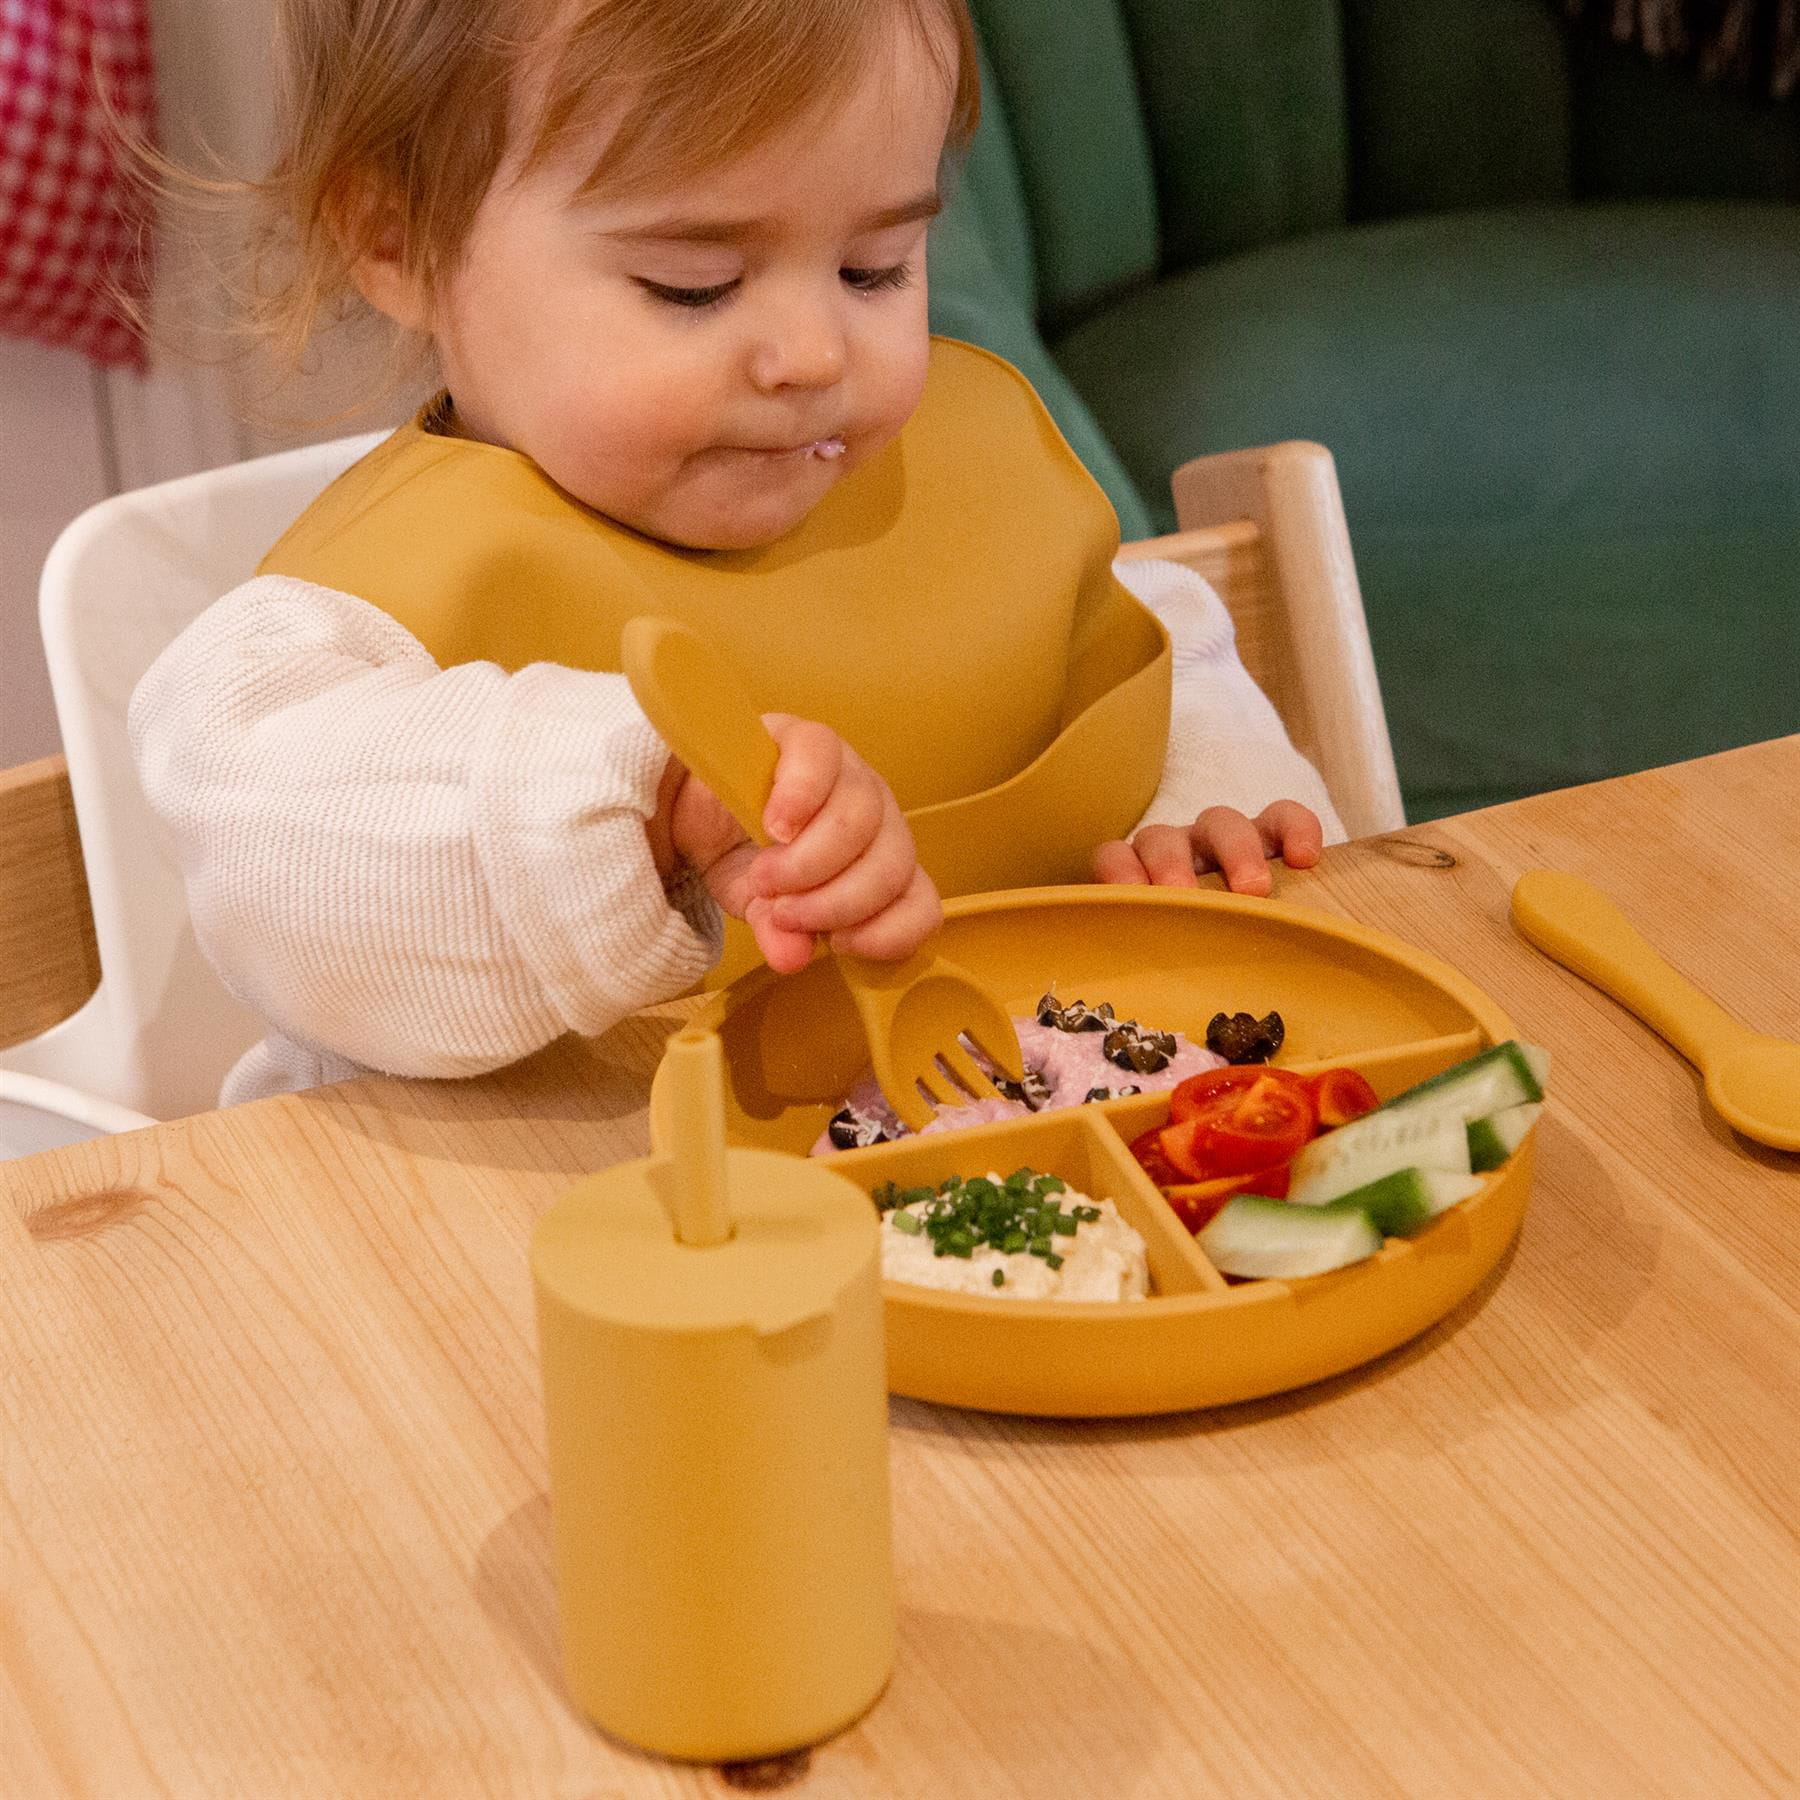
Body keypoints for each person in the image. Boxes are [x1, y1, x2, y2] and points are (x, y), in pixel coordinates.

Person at [129, 0, 1343, 1106]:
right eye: (695, 285)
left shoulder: (971, 468)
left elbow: (1148, 649)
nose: (813, 353)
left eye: (874, 268)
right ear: (397, 239)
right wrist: (637, 810)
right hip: (536, 1236)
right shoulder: (336, 632)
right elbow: (272, 856)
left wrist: (1199, 813)